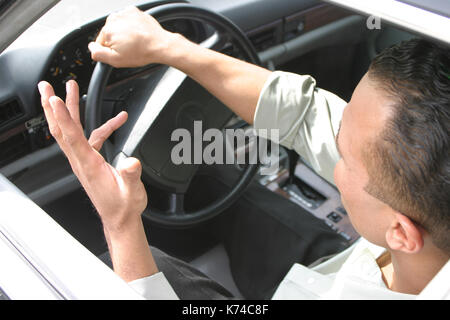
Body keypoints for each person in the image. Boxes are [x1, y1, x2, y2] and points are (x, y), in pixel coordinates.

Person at [37, 7, 449, 299]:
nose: (332, 136)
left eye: (343, 154)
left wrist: (121, 222)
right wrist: (166, 45)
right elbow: (306, 113)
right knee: (218, 179)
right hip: (338, 265)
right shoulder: (418, 210)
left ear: (402, 233)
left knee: (118, 264)